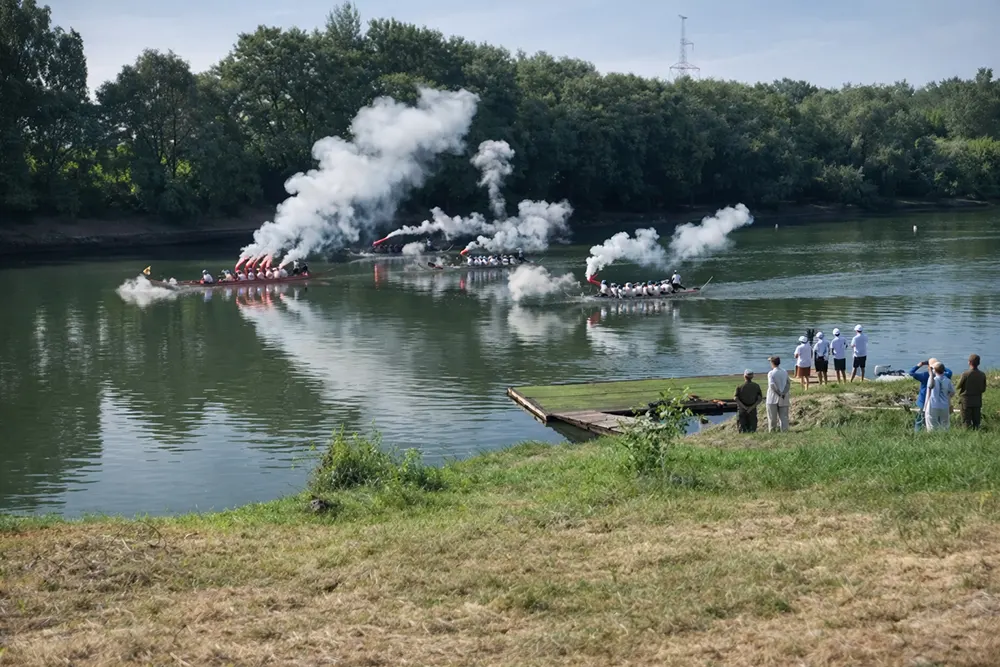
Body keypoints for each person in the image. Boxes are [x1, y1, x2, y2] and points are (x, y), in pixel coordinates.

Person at [908, 358, 952, 432]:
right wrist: (938, 365)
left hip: (923, 401)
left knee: (920, 419)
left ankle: (918, 433)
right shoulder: (945, 376)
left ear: (930, 367)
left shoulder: (925, 375)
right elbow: (950, 372)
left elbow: (911, 373)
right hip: (938, 402)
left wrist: (920, 365)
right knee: (936, 421)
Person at [955, 353, 987, 429]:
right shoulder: (982, 374)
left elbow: (958, 386)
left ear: (969, 362)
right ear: (979, 363)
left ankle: (966, 436)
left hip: (966, 401)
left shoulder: (965, 374)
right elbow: (983, 389)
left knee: (966, 422)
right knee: (977, 422)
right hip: (977, 401)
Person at [925, 362, 955, 431]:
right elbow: (952, 392)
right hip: (944, 405)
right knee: (945, 425)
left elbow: (930, 386)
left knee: (931, 424)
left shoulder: (933, 379)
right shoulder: (947, 380)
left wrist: (931, 374)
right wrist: (947, 397)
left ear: (934, 370)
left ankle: (932, 437)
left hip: (933, 404)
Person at [766, 355, 791, 432]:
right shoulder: (784, 371)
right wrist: (783, 393)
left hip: (772, 397)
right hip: (784, 396)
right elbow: (788, 383)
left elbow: (772, 385)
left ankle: (772, 431)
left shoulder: (771, 373)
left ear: (772, 363)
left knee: (772, 417)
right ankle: (784, 430)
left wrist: (779, 393)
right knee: (784, 416)